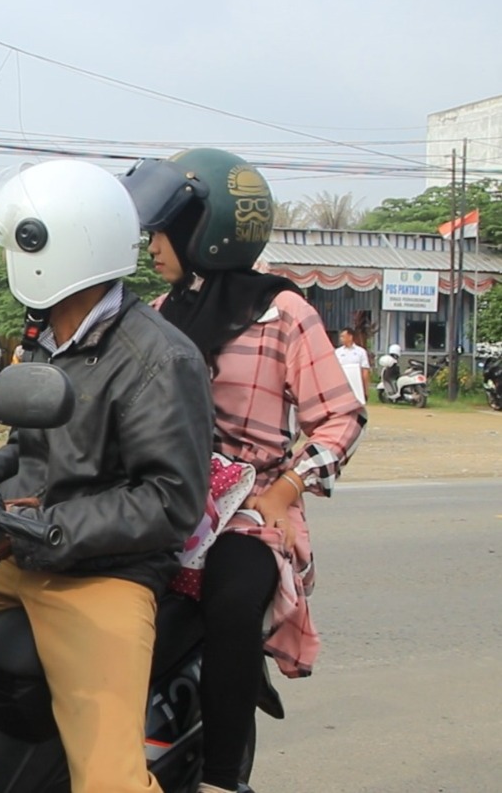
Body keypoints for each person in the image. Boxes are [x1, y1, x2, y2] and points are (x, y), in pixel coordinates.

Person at [0, 159, 214, 792]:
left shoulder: (159, 358)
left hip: (103, 575)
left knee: (109, 778)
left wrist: (41, 528)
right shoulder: (47, 340)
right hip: (22, 556)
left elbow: (170, 501)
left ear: (47, 249)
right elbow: (25, 456)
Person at [121, 148, 366, 793]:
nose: (152, 245)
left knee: (231, 607)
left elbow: (341, 417)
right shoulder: (156, 314)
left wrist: (287, 488)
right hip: (168, 498)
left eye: (164, 231)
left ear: (209, 231)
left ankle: (224, 780)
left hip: (251, 508)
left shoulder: (284, 312)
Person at [334, 326, 371, 403]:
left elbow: (365, 371)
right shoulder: (337, 352)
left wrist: (366, 390)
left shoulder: (361, 352)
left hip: (356, 384)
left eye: (343, 336)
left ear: (350, 337)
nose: (341, 339)